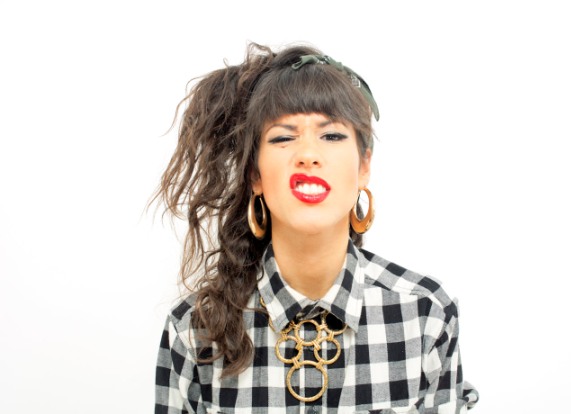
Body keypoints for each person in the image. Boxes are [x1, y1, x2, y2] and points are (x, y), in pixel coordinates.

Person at [154, 42, 478, 414]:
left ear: (364, 166)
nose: (308, 155)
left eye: (332, 136)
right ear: (255, 174)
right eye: (283, 137)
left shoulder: (426, 314)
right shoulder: (192, 330)